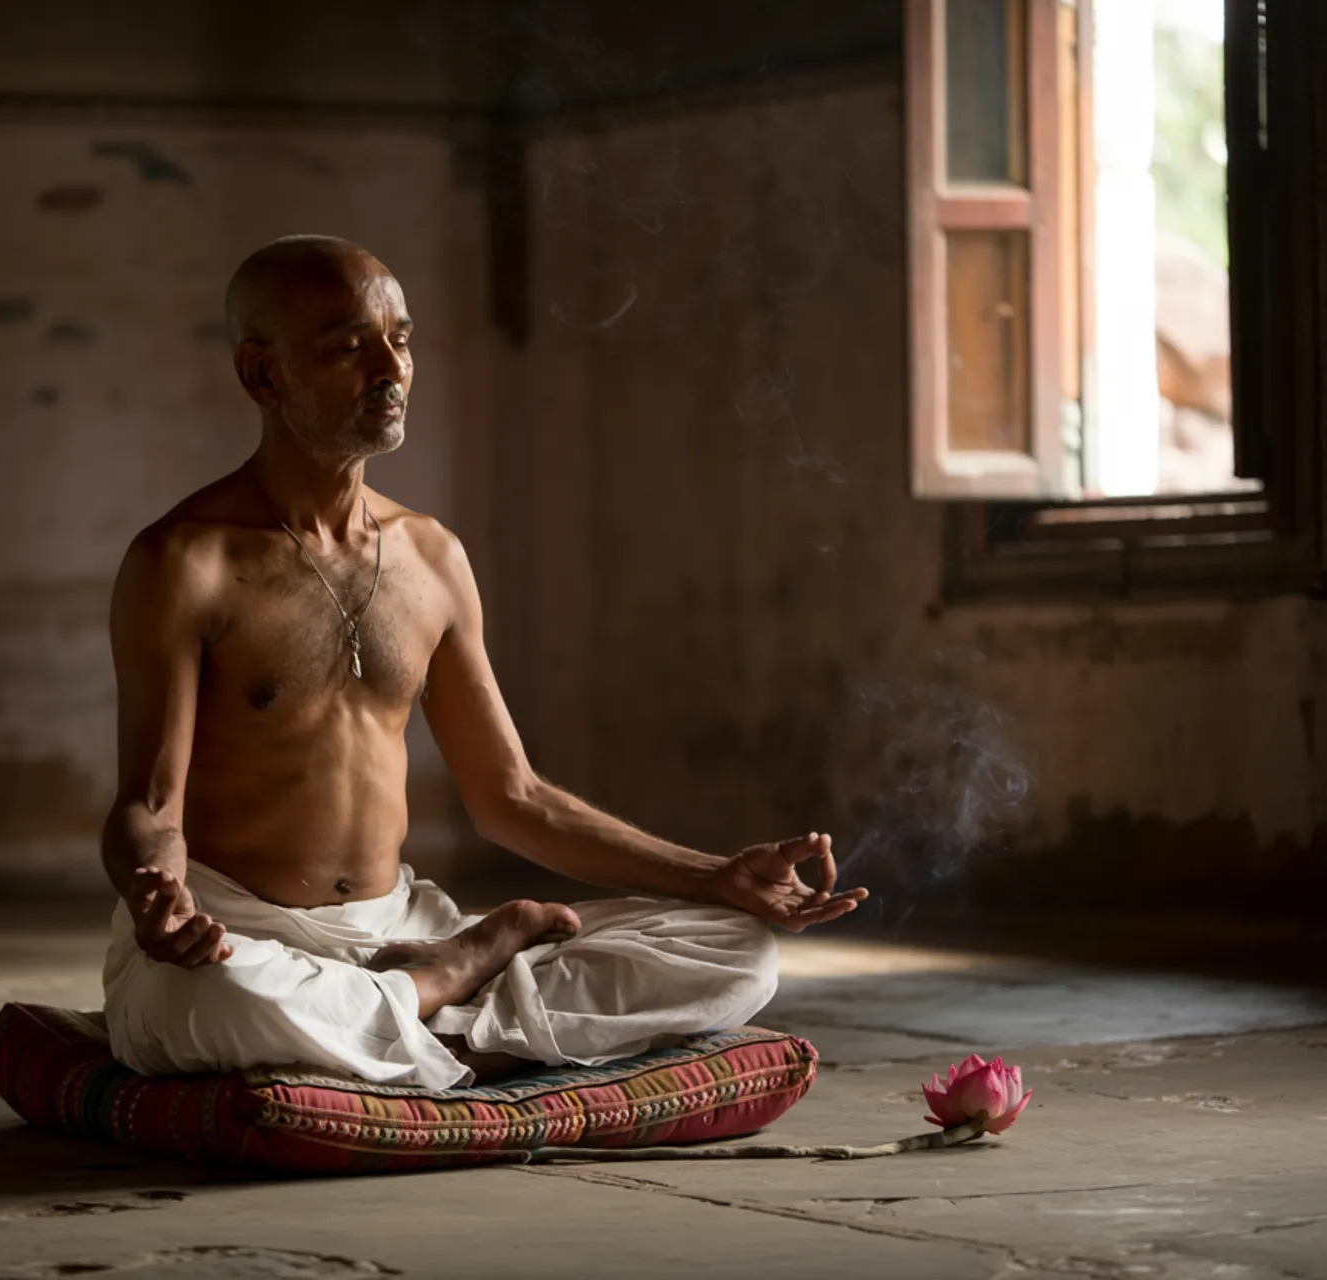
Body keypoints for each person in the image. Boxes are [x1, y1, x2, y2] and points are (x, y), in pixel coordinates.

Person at [99, 235, 868, 1089]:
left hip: (399, 921)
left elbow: (514, 799)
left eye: (402, 338)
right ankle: (446, 1000)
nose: (390, 369)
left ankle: (401, 1014)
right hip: (244, 930)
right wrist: (156, 898)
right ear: (263, 375)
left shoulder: (432, 558)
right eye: (349, 346)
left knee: (738, 953)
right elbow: (149, 805)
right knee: (200, 1005)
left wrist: (716, 875)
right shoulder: (184, 561)